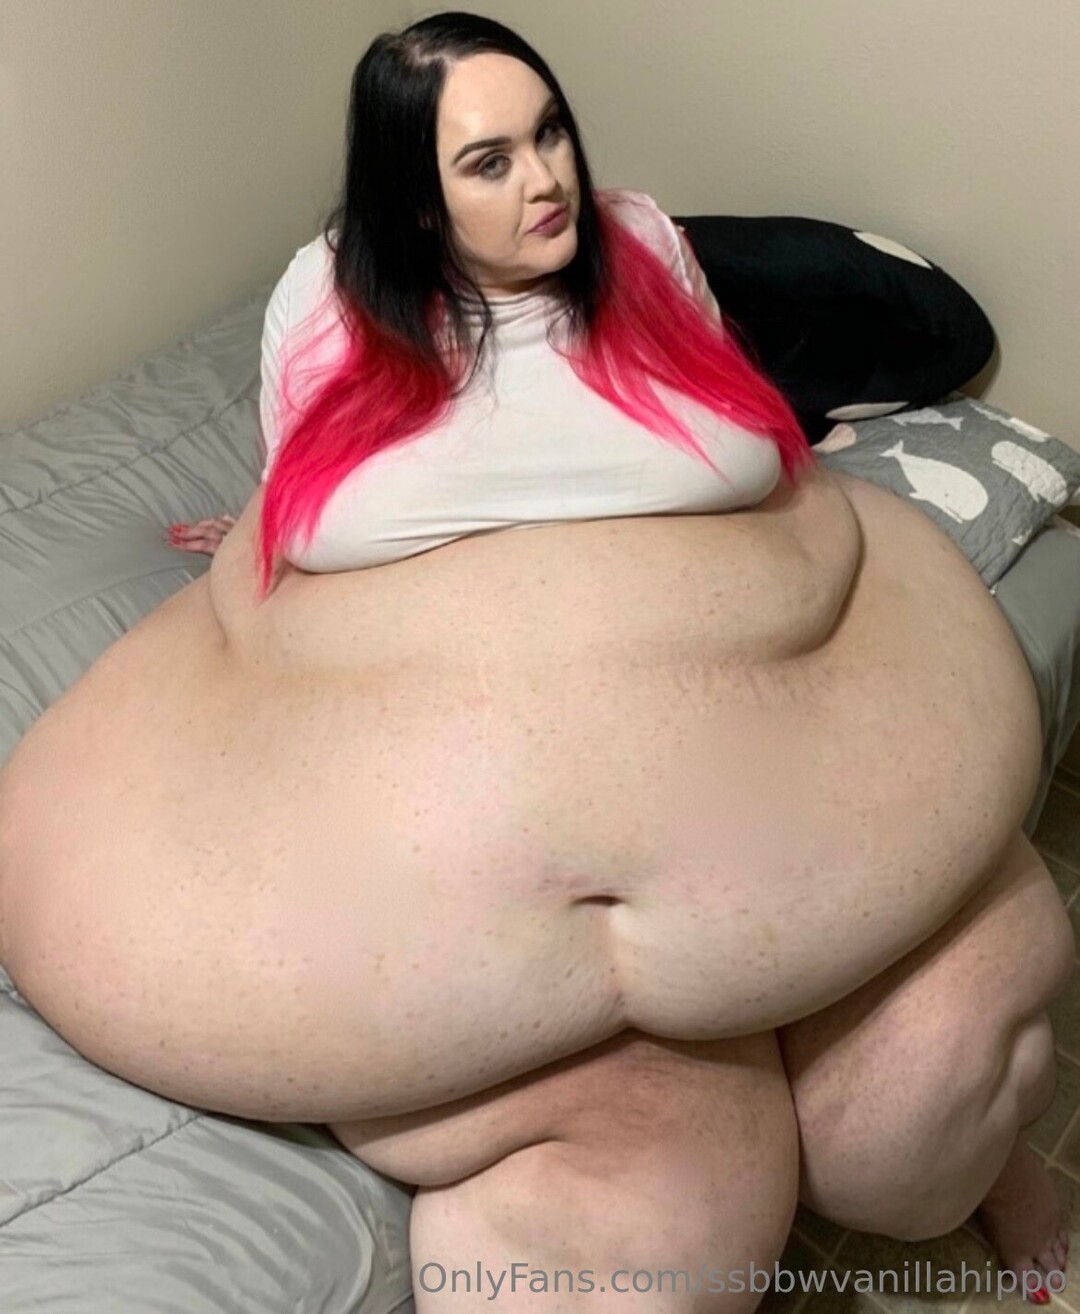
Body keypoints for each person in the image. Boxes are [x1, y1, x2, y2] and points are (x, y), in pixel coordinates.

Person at [2, 12, 1071, 1312]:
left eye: (549, 131)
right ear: (414, 198)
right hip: (458, 874)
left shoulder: (644, 248)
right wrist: (262, 534)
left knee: (905, 1134)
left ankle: (995, 1164)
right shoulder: (328, 297)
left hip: (774, 760)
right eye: (490, 160)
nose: (546, 177)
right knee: (673, 1212)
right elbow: (300, 481)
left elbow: (748, 436)